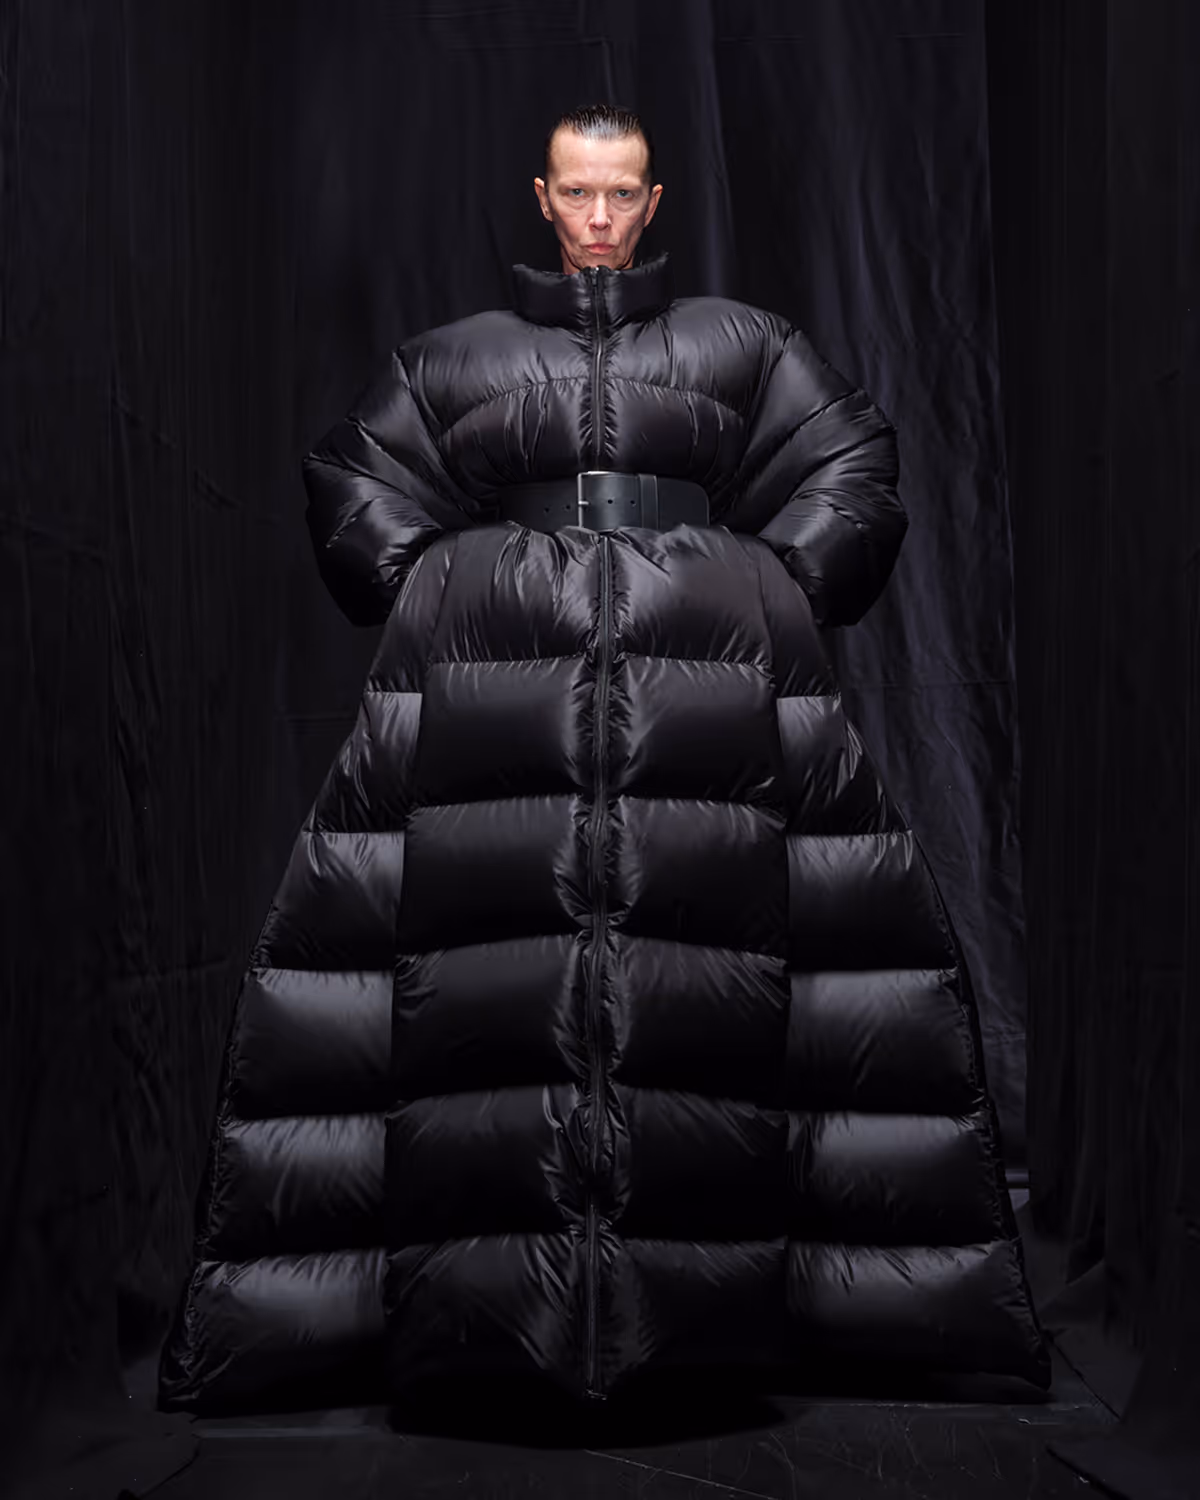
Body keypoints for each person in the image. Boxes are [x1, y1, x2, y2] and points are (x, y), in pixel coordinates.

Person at [160, 105, 1047, 1412]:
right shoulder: (454, 360)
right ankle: (480, 1323)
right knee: (481, 1013)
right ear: (541, 195)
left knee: (719, 1008)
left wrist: (761, 590)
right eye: (576, 192)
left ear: (653, 200)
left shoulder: (741, 346)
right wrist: (447, 592)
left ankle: (727, 1326)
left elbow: (855, 469)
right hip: (493, 727)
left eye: (620, 194)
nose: (597, 219)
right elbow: (352, 482)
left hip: (709, 718)